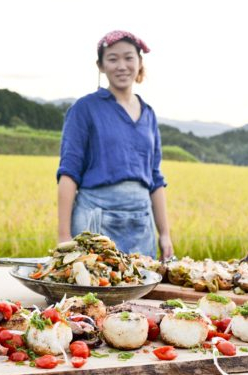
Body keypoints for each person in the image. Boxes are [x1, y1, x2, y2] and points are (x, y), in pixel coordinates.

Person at [56, 30, 174, 260]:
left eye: (129, 57)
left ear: (140, 63)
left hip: (141, 224)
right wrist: (63, 235)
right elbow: (68, 173)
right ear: (100, 65)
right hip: (95, 220)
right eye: (113, 58)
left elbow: (155, 178)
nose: (122, 65)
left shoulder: (148, 114)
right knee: (93, 290)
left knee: (141, 290)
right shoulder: (84, 109)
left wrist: (165, 233)